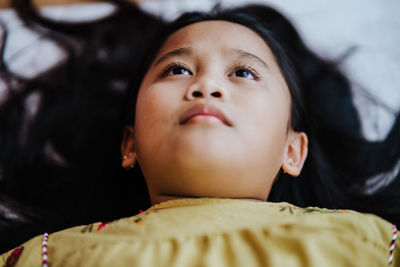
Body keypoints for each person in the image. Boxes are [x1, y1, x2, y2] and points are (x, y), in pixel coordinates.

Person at [0, 1, 399, 266]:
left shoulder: (373, 242)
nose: (207, 86)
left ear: (292, 150)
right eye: (177, 70)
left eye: (243, 73)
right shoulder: (47, 255)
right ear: (130, 144)